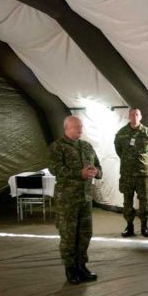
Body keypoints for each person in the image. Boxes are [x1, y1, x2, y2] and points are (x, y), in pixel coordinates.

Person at [49, 115, 102, 285]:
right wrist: (79, 173)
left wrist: (96, 172)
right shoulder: (58, 147)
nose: (80, 129)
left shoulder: (87, 146)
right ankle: (70, 268)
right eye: (76, 126)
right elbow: (55, 169)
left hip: (85, 198)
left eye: (81, 126)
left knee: (85, 233)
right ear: (66, 128)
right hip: (67, 199)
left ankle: (81, 265)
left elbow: (98, 167)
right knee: (69, 235)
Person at [114, 108, 148, 238]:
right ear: (129, 116)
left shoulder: (147, 132)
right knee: (127, 200)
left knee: (144, 200)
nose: (134, 117)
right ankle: (129, 226)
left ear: (141, 116)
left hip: (143, 173)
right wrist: (128, 160)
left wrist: (145, 163)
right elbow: (118, 150)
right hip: (127, 173)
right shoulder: (121, 133)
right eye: (132, 114)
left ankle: (144, 226)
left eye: (137, 114)